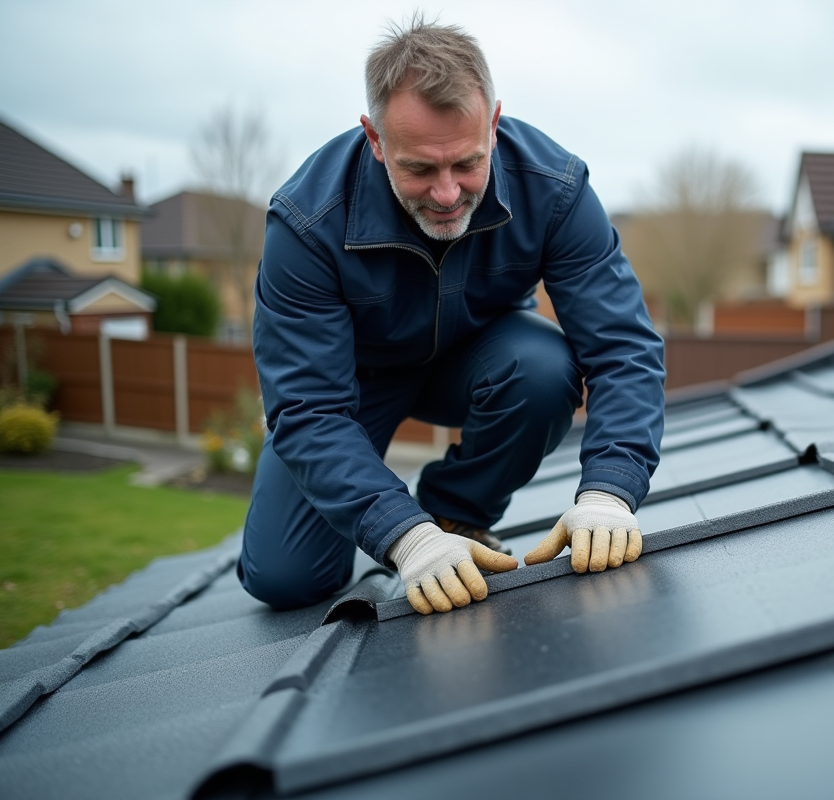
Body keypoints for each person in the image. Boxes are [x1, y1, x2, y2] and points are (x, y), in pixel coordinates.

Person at [238, 17, 665, 615]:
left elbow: (624, 347)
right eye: (419, 169)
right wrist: (402, 537)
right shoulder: (306, 223)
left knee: (543, 369)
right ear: (375, 139)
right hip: (351, 388)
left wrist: (611, 491)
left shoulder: (555, 187)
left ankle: (455, 516)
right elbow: (307, 407)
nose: (446, 193)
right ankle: (419, 529)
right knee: (284, 580)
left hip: (477, 359)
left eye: (466, 163)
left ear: (493, 124)